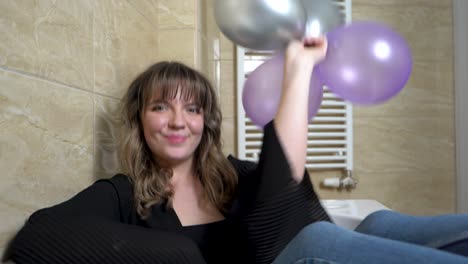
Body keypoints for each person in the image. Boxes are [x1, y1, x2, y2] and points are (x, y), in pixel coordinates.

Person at [3, 36, 468, 264]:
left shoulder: (238, 176)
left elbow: (283, 194)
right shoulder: (125, 196)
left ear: (206, 121)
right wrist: (179, 257)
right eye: (161, 107)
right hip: (308, 255)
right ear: (139, 120)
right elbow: (34, 237)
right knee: (314, 243)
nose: (178, 121)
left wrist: (299, 67)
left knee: (379, 222)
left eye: (192, 109)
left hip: (315, 243)